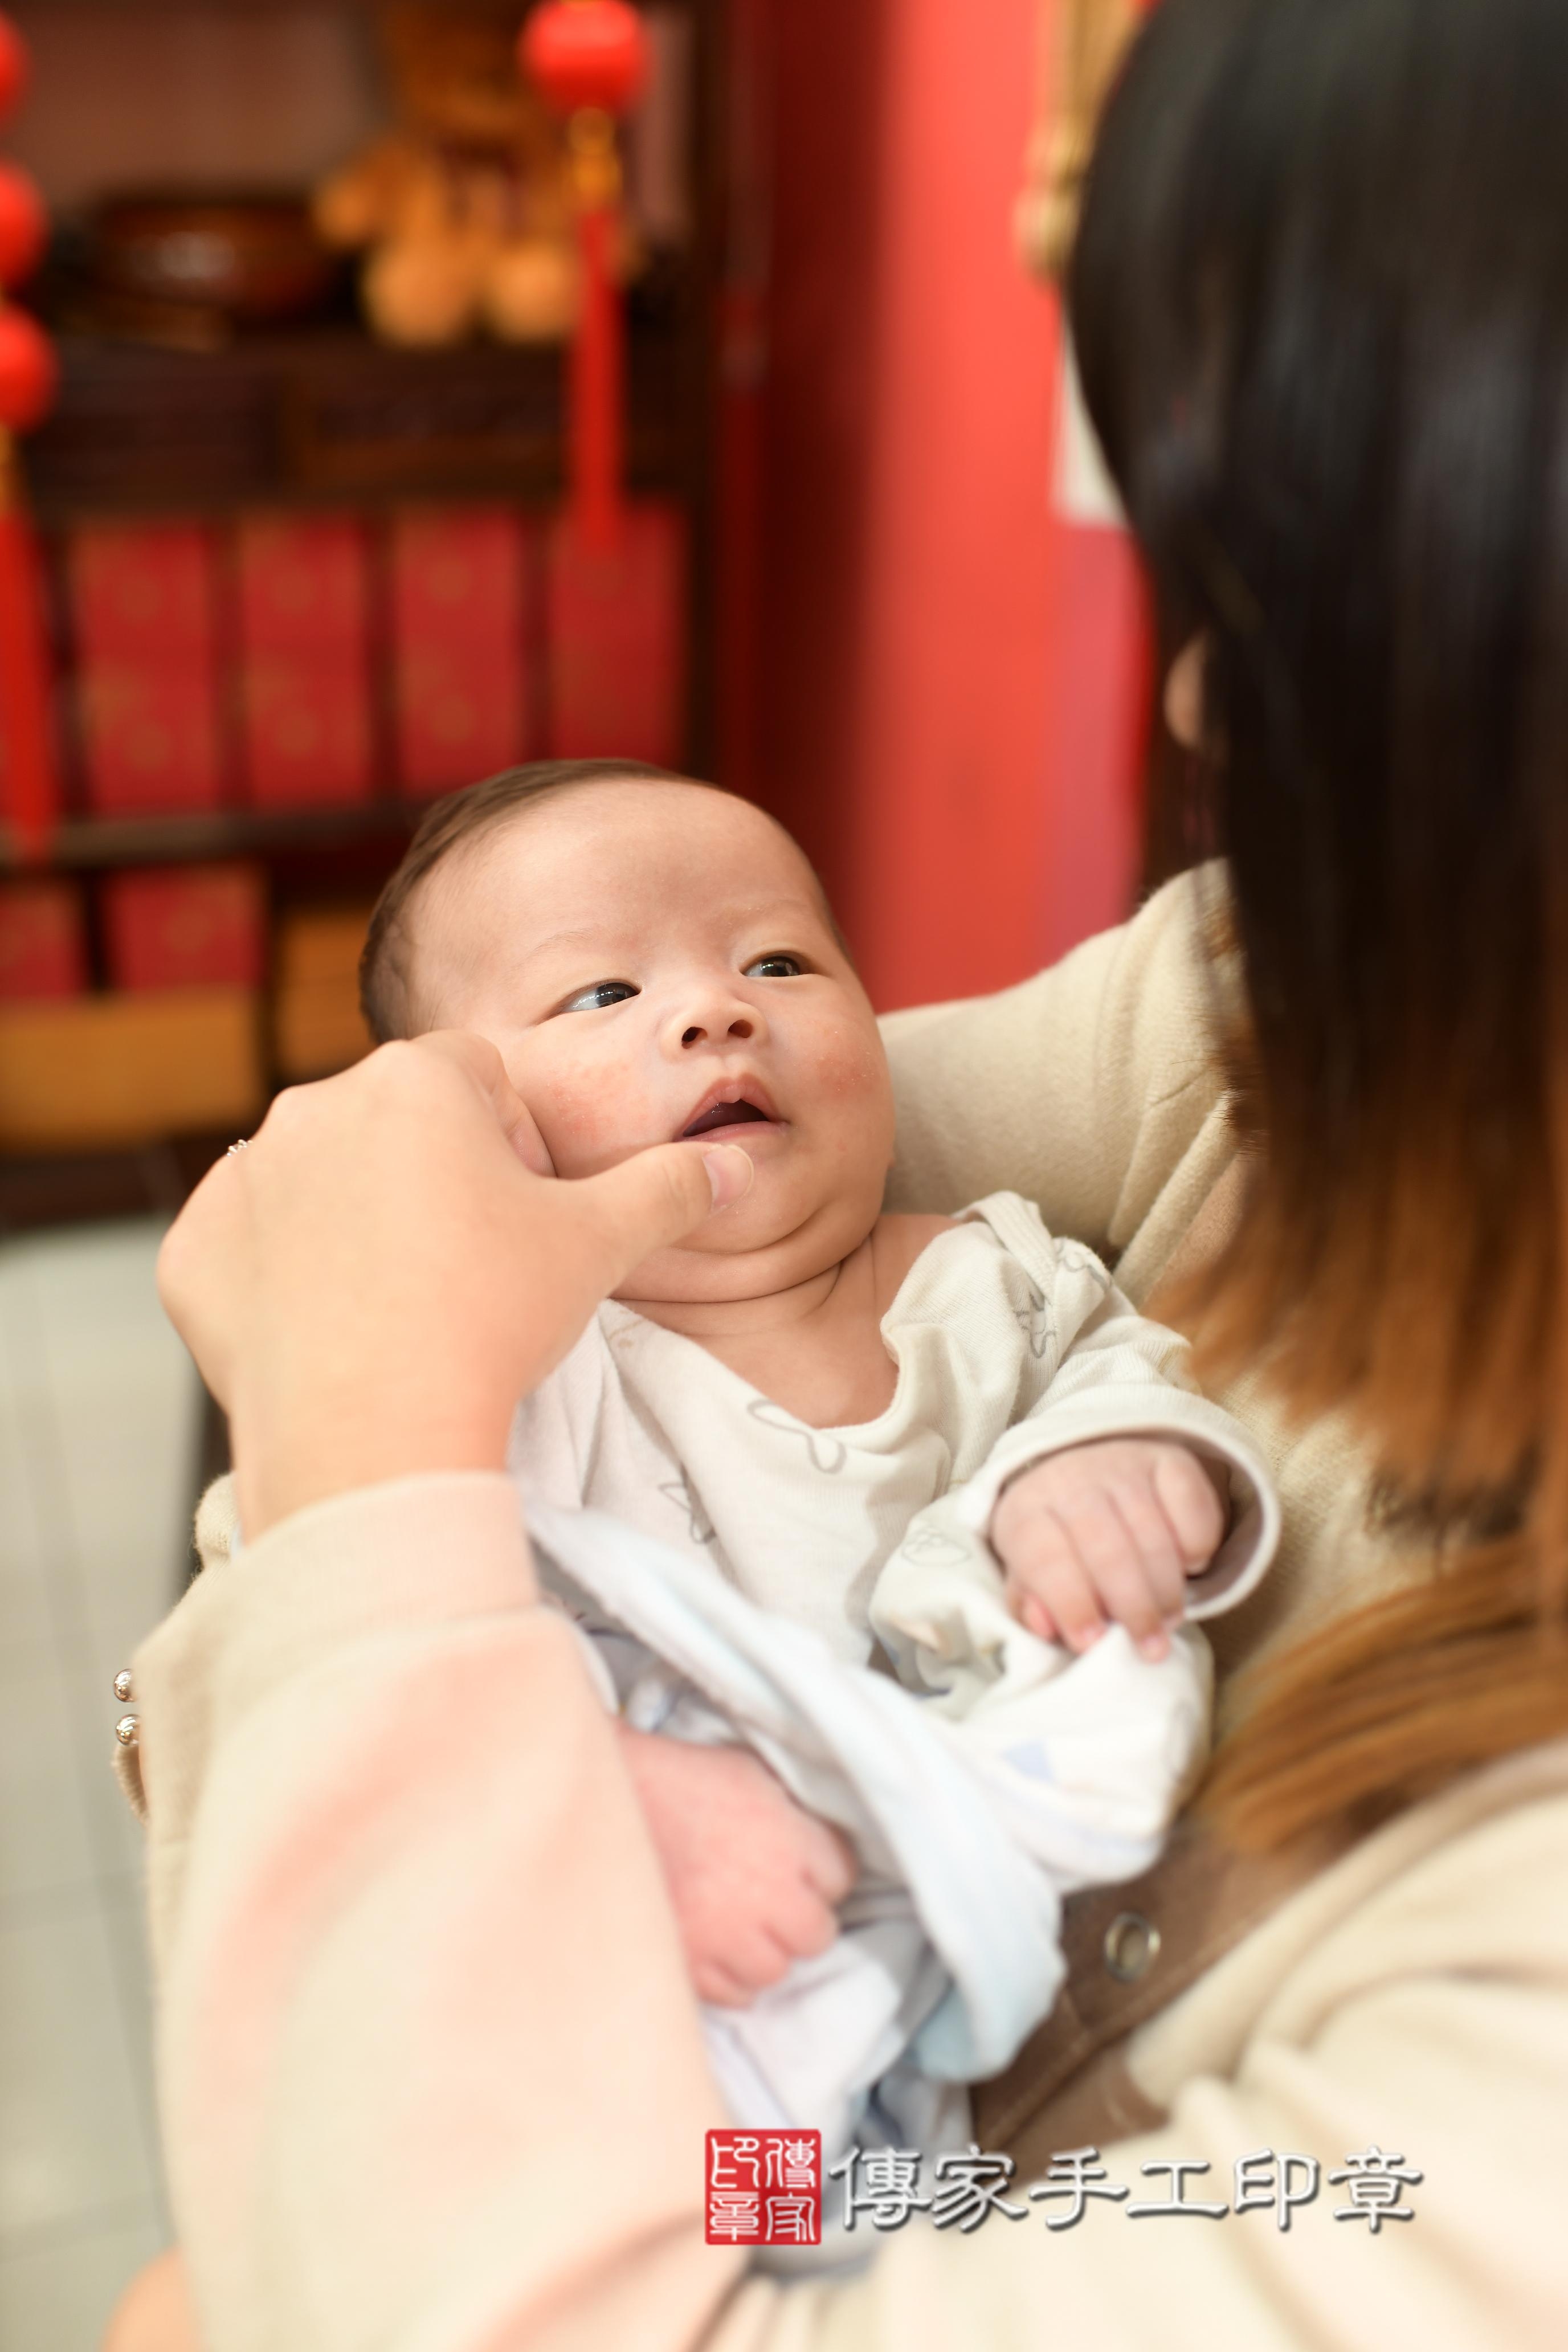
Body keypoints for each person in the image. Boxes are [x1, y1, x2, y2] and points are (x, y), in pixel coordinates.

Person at [108, 0, 1568, 2343]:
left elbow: (366, 1424)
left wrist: (363, 1482)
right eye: (598, 996)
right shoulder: (1282, 1020)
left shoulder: (982, 1266)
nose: (1195, 706)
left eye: (1278, 589)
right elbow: (373, 1336)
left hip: (869, 2078)